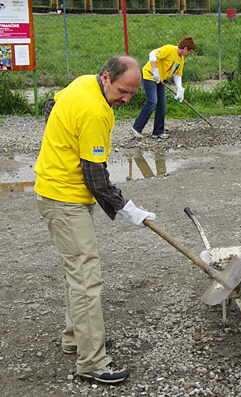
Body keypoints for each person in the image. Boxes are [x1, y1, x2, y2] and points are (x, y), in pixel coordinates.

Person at [34, 55, 156, 383]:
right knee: (87, 278)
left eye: (132, 94)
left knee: (77, 271)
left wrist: (61, 142)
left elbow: (50, 105)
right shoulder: (95, 111)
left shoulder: (83, 83)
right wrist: (126, 208)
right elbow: (94, 174)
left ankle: (77, 339)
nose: (127, 100)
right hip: (65, 199)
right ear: (106, 78)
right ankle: (92, 362)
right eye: (122, 91)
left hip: (57, 192)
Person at [132, 36, 196, 139]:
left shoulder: (181, 59)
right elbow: (152, 54)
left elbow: (177, 74)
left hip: (160, 80)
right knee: (152, 101)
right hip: (150, 76)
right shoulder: (169, 49)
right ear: (185, 48)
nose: (190, 53)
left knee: (162, 104)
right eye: (190, 51)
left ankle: (158, 131)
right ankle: (137, 128)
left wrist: (179, 89)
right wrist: (155, 71)